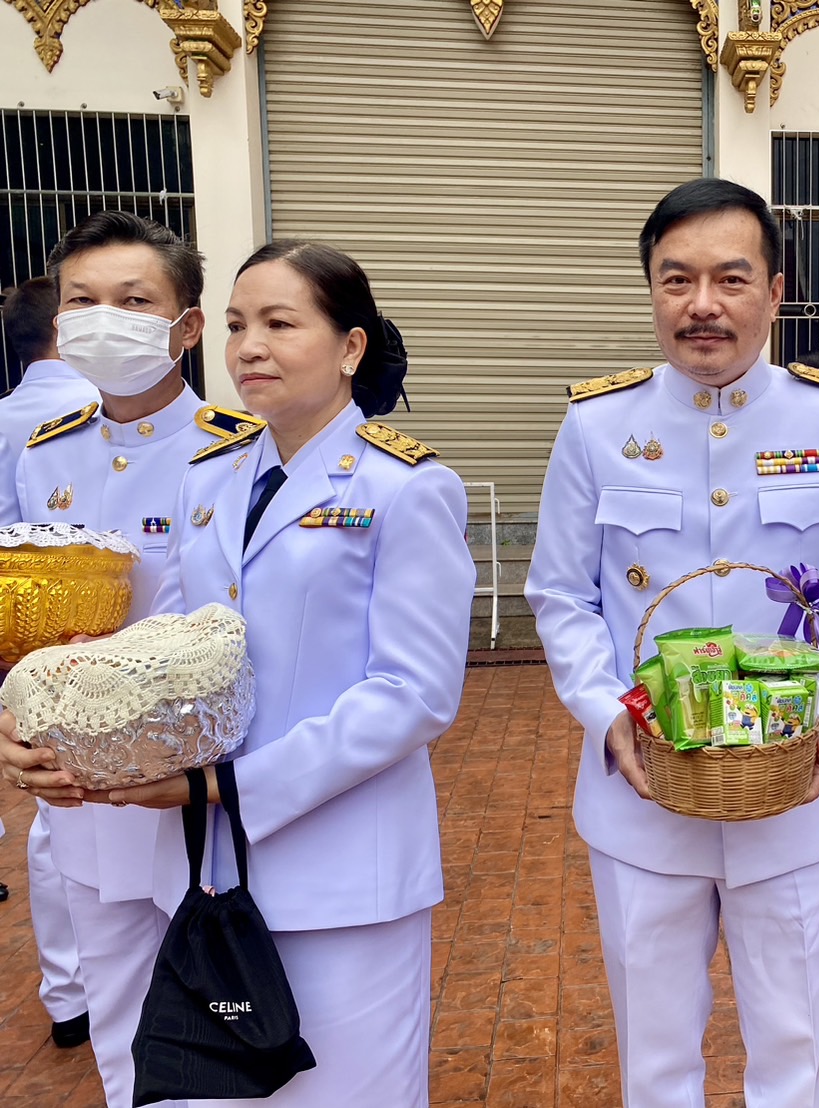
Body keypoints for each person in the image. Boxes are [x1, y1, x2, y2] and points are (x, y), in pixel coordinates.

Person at [525, 177, 819, 1108]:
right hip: (642, 789)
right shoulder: (597, 427)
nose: (702, 305)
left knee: (793, 1047)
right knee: (653, 1056)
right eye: (675, 279)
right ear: (649, 290)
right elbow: (561, 594)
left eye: (730, 279)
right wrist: (606, 710)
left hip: (795, 790)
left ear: (775, 292)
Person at [97, 240, 470, 1106]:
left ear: (350, 347)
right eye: (234, 326)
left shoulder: (408, 488)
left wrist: (227, 783)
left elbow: (412, 695)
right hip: (203, 866)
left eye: (278, 323)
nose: (248, 347)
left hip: (343, 875)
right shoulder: (215, 479)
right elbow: (170, 642)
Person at [0, 211, 225, 1107]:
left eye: (134, 301)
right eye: (84, 301)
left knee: (220, 1004)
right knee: (118, 1007)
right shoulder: (44, 456)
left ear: (188, 325)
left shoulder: (234, 451)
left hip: (190, 788)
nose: (105, 318)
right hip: (75, 791)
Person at [0, 276, 99, 1051]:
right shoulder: (79, 425)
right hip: (96, 660)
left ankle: (69, 996)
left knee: (51, 824)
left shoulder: (5, 419)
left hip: (24, 659)